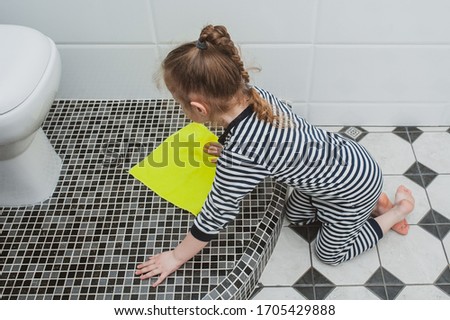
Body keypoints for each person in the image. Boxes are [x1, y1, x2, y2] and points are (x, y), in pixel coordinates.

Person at [135, 25, 415, 287]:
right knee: (294, 215)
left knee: (330, 255)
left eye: (179, 103)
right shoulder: (254, 94)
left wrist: (176, 256)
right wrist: (229, 150)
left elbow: (216, 212)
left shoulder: (241, 155)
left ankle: (393, 212)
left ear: (199, 109)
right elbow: (272, 141)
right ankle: (373, 199)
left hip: (349, 191)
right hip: (349, 160)